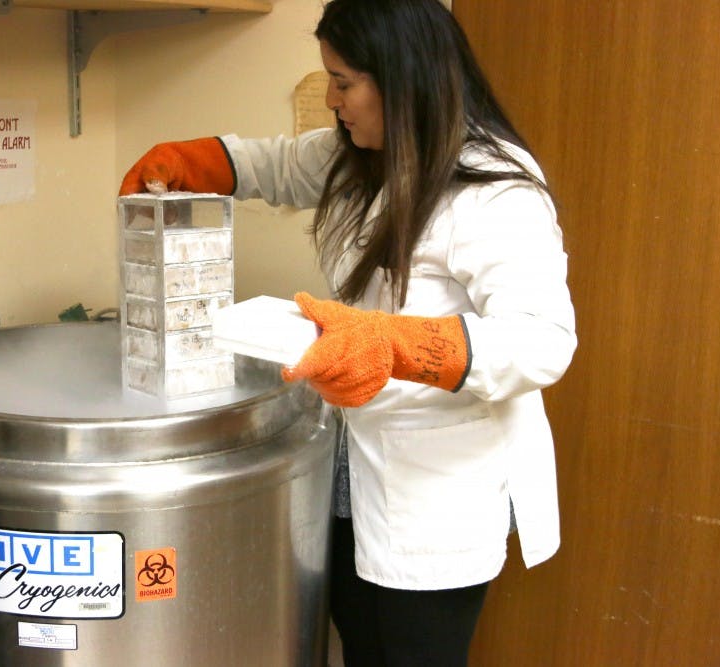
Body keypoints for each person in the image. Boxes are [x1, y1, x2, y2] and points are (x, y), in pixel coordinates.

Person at [119, 1, 576, 664]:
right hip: (349, 473)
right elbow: (274, 165)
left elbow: (541, 341)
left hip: (435, 495)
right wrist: (189, 160)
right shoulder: (362, 153)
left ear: (403, 79)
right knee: (360, 645)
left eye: (344, 82)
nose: (332, 100)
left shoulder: (495, 189)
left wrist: (394, 344)